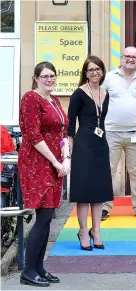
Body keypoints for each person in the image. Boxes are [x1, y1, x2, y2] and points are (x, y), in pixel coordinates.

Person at [18, 62, 69, 287]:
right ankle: (28, 271)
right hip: (37, 162)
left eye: (52, 76)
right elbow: (33, 134)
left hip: (55, 162)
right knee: (43, 215)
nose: (50, 79)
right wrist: (56, 161)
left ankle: (39, 267)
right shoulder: (31, 98)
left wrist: (66, 158)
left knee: (47, 216)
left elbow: (63, 132)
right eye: (45, 76)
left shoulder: (55, 100)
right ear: (36, 78)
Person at [101, 46, 136, 221]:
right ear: (121, 59)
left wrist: (135, 117)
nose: (130, 59)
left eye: (134, 57)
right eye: (127, 56)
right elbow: (99, 101)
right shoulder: (108, 78)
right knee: (108, 171)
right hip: (111, 133)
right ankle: (104, 207)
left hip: (134, 133)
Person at [67, 56, 113, 250]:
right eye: (91, 70)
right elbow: (70, 123)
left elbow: (102, 119)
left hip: (101, 143)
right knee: (84, 191)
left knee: (99, 191)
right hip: (84, 144)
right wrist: (69, 146)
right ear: (85, 73)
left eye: (98, 69)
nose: (95, 73)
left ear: (102, 72)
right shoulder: (78, 94)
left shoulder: (105, 93)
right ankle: (83, 231)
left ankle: (97, 231)